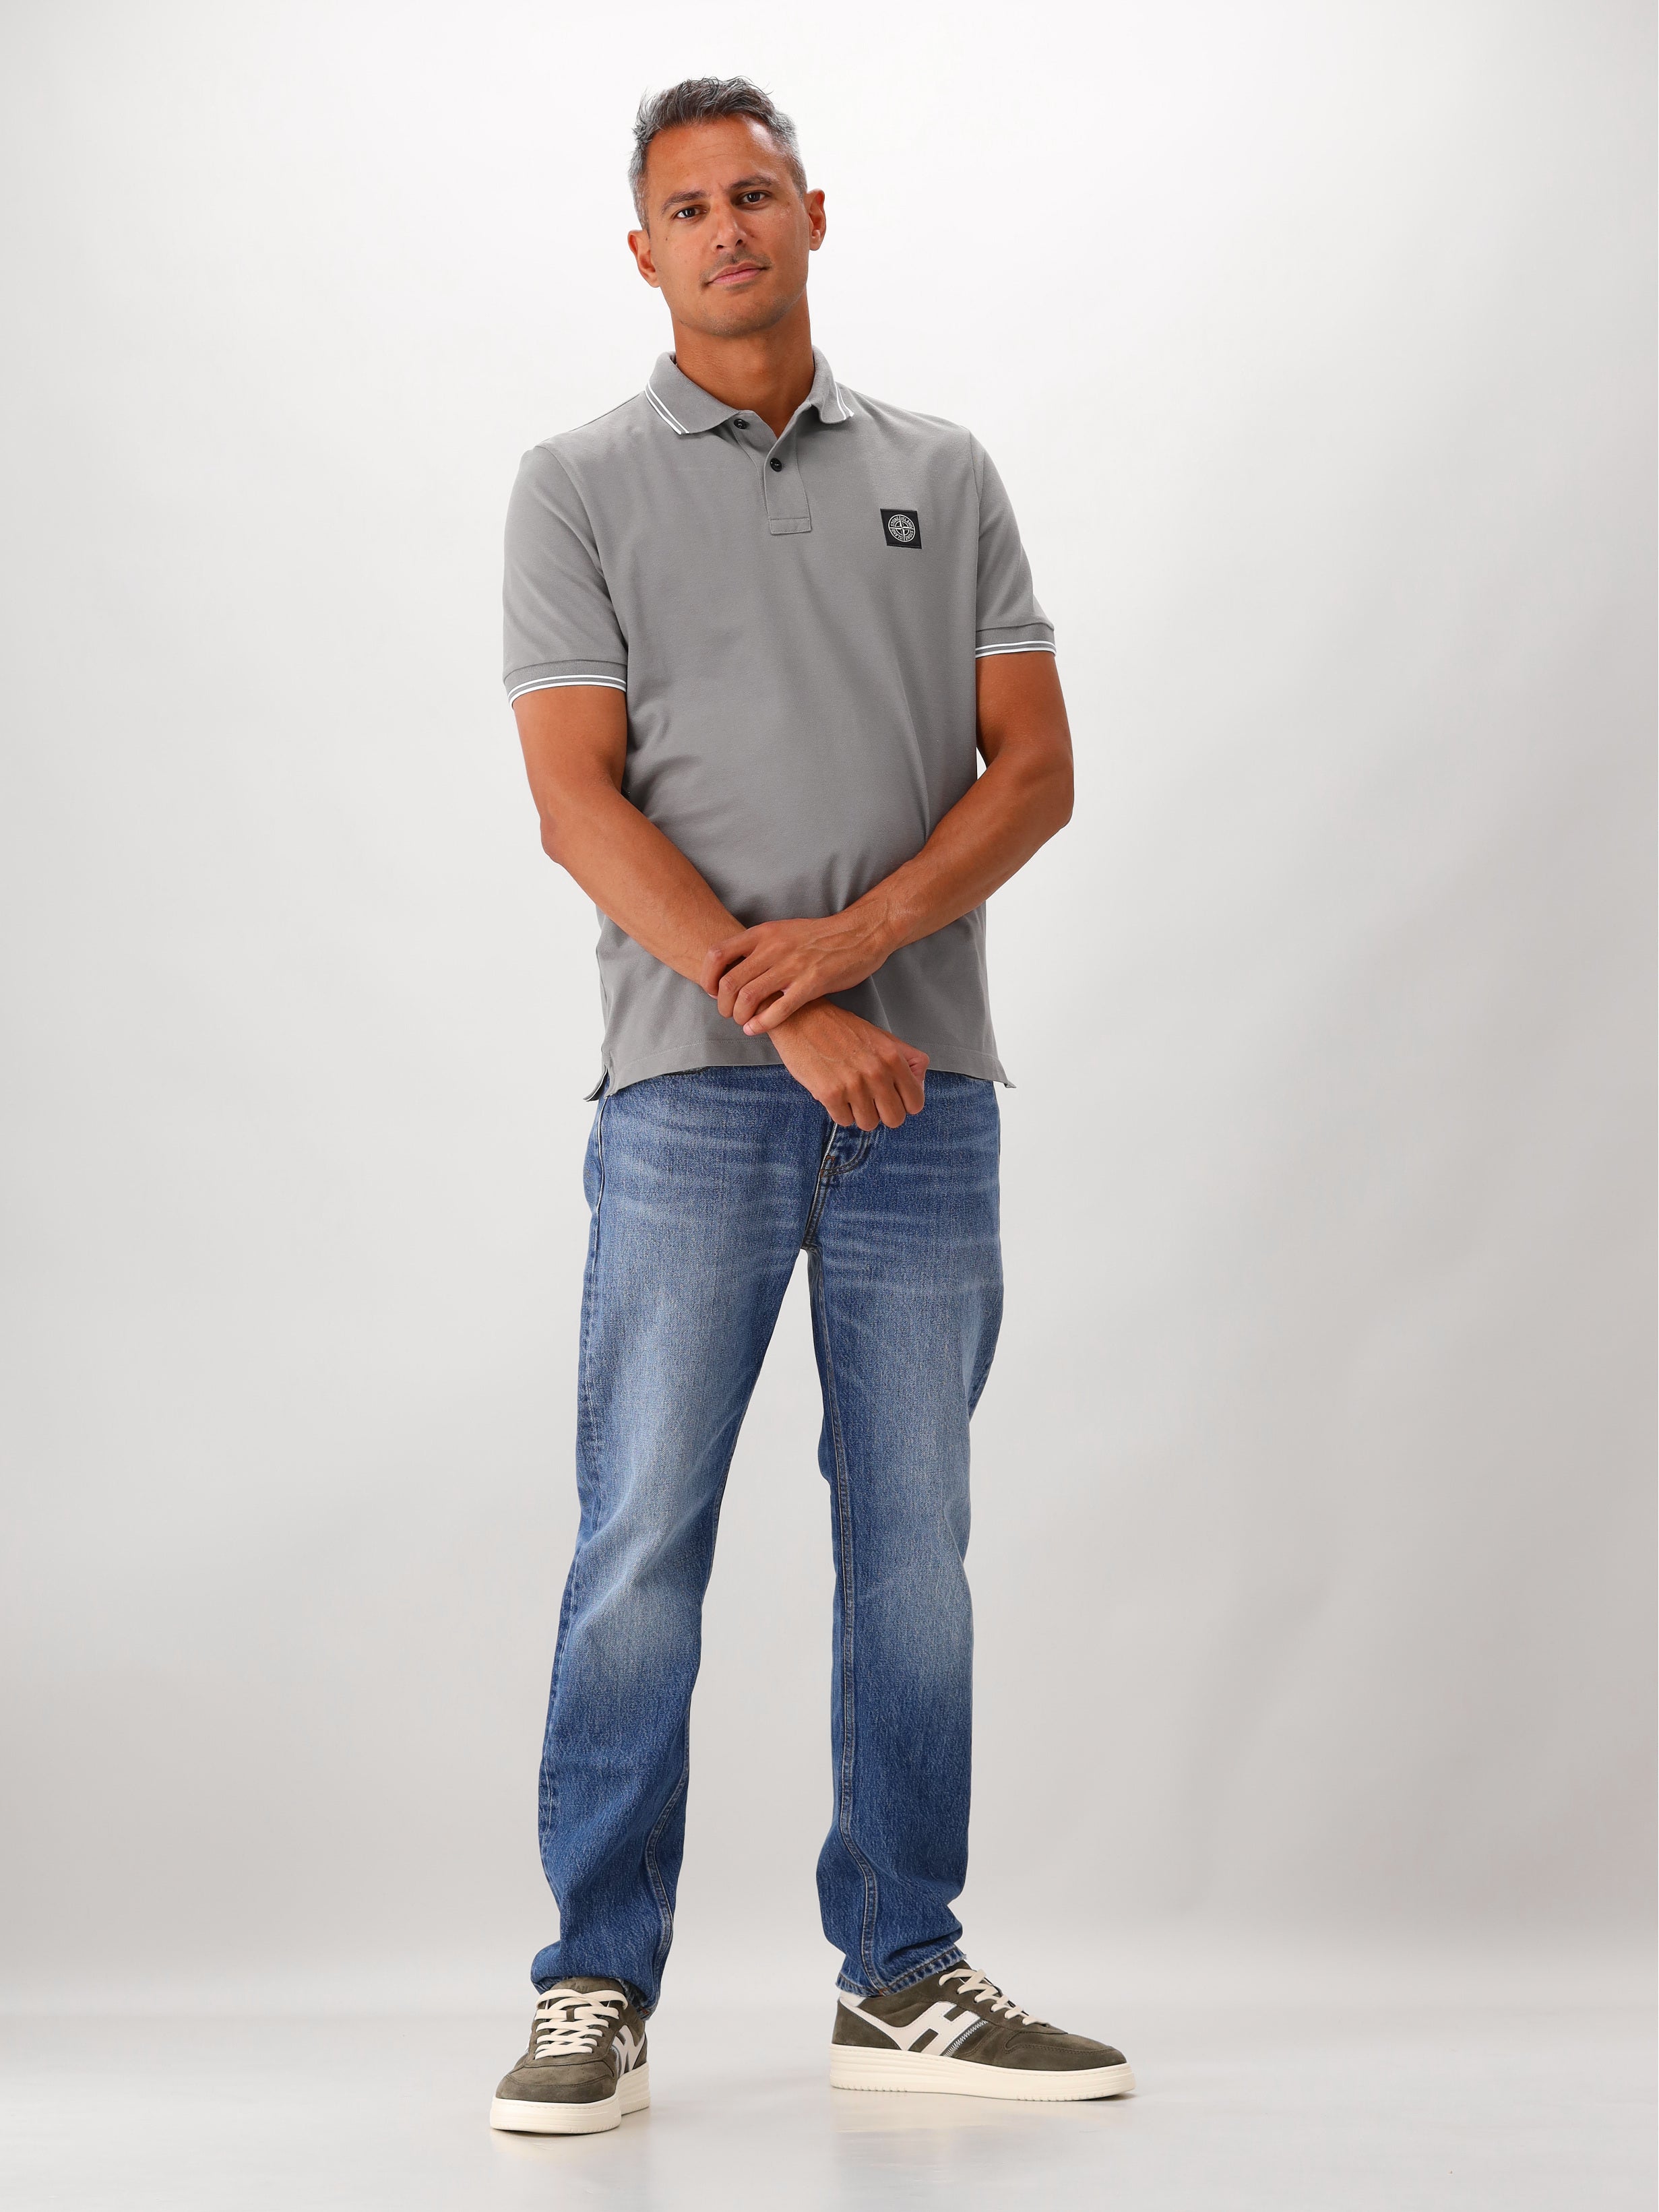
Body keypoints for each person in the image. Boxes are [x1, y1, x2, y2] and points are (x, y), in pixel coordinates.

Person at [489, 75, 1133, 2135]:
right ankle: (595, 1980)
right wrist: (784, 1012)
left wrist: (859, 949)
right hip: (689, 1092)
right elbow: (576, 803)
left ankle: (904, 1967)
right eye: (688, 205)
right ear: (644, 250)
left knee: (914, 1546)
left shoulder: (944, 472)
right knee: (640, 1540)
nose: (727, 227)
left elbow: (1034, 767)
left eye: (754, 191)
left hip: (925, 1090)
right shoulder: (576, 485)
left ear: (813, 213)